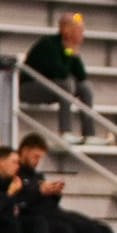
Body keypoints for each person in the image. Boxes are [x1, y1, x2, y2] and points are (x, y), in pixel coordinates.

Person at [22, 12, 98, 142]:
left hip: (51, 87)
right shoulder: (49, 44)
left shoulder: (67, 49)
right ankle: (65, 131)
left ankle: (89, 134)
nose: (82, 35)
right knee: (66, 84)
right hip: (29, 87)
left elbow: (81, 76)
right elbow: (59, 72)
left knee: (85, 87)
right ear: (66, 29)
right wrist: (70, 53)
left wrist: (73, 54)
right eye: (78, 30)